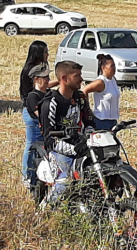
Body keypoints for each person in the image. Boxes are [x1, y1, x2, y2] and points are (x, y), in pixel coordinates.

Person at [39, 61, 95, 200]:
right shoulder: (50, 103)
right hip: (59, 151)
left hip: (82, 144)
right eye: (77, 76)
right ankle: (45, 212)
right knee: (65, 182)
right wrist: (73, 149)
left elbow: (89, 121)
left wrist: (90, 135)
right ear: (64, 78)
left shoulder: (80, 97)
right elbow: (49, 139)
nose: (81, 79)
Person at [20, 40, 59, 188]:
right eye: (45, 52)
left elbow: (46, 86)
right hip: (32, 112)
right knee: (31, 145)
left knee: (40, 145)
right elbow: (37, 89)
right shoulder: (30, 71)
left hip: (40, 109)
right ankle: (27, 175)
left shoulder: (43, 68)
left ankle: (38, 174)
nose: (48, 54)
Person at [25, 63, 52, 190]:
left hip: (46, 133)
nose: (48, 80)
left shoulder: (49, 93)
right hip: (37, 134)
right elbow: (41, 115)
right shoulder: (33, 96)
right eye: (45, 77)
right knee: (35, 160)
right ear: (37, 79)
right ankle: (31, 181)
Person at [81, 54, 120, 130]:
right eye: (111, 66)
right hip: (102, 121)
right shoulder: (101, 82)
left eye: (114, 66)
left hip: (113, 121)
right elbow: (84, 90)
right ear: (103, 68)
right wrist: (87, 108)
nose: (114, 68)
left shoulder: (112, 79)